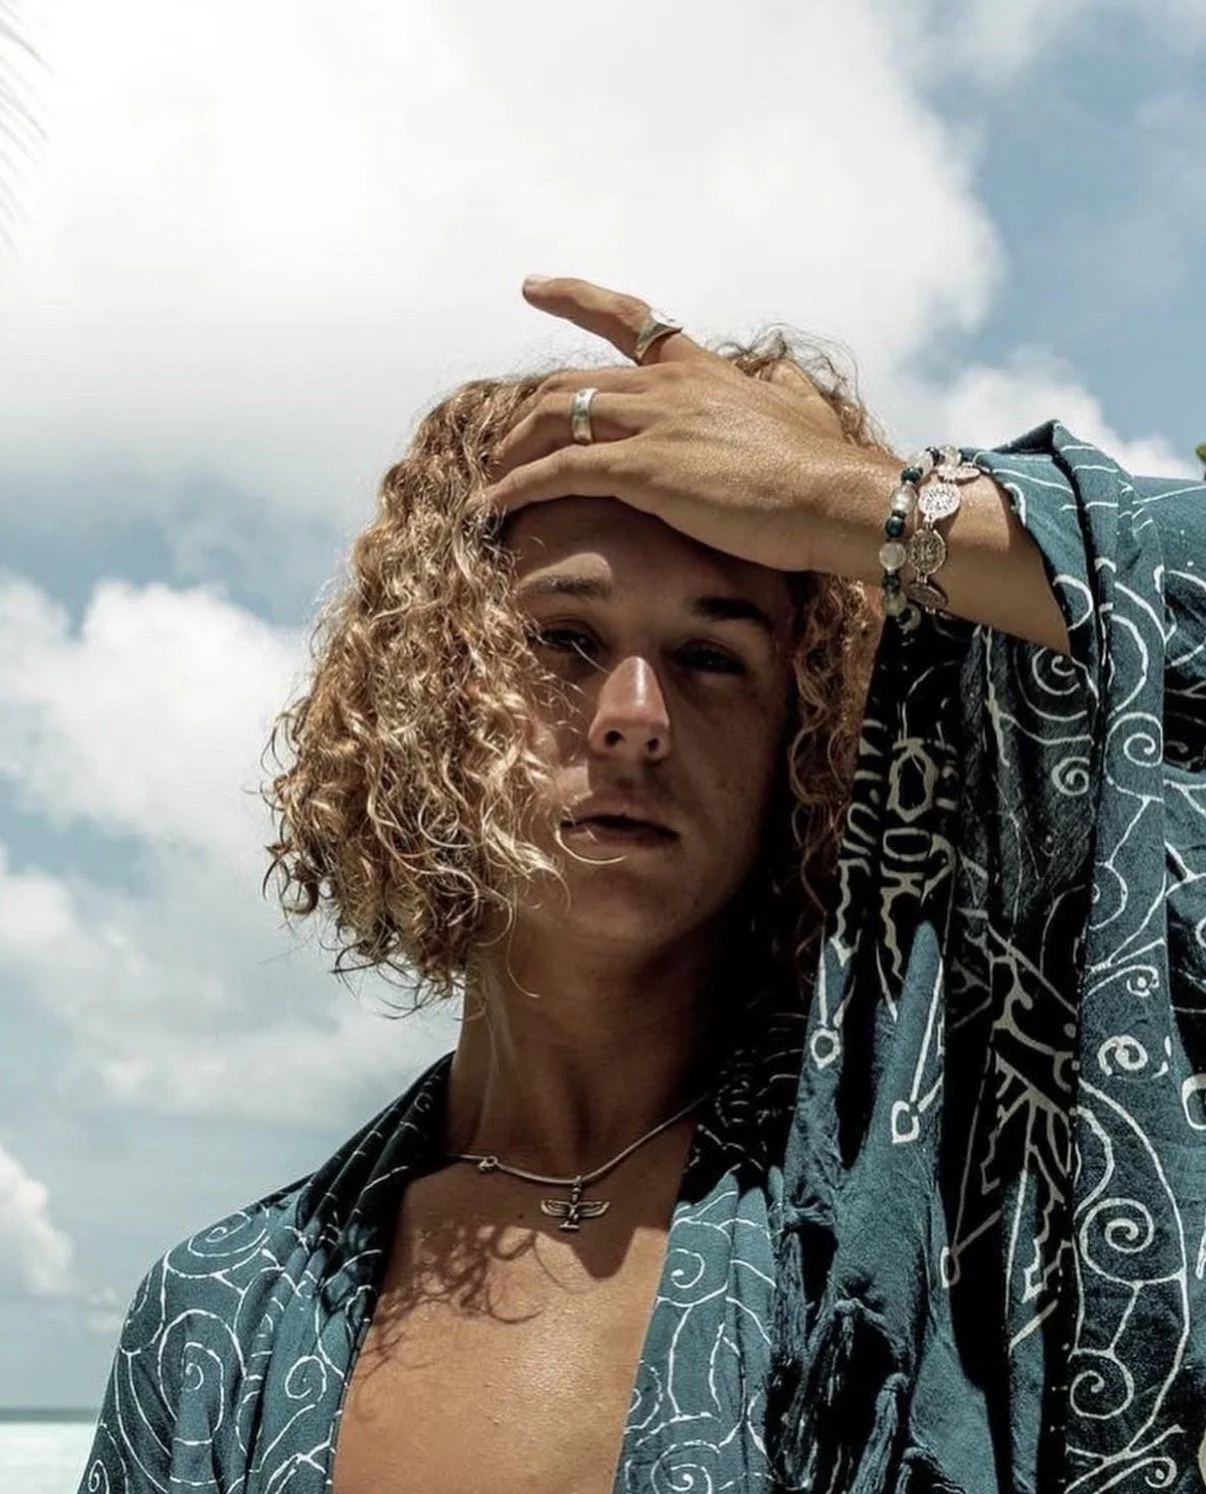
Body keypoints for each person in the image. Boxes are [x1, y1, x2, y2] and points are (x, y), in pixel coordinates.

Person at [78, 277, 1206, 1494]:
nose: (634, 719)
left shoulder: (942, 1206)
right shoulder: (218, 1320)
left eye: (712, 657)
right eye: (564, 641)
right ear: (431, 701)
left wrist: (858, 505)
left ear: (809, 736)